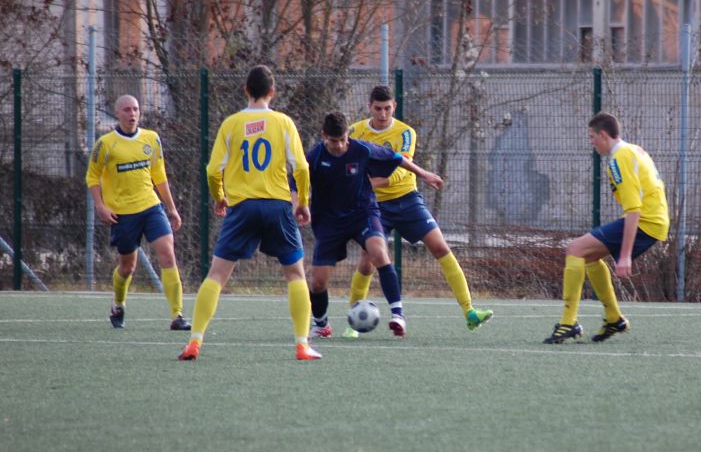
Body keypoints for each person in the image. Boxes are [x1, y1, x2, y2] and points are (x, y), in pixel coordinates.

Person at [177, 65, 321, 361]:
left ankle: (195, 340)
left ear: (246, 90)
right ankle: (302, 344)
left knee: (216, 275)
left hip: (241, 207)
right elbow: (302, 168)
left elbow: (212, 170)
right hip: (277, 205)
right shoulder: (283, 122)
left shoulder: (231, 124)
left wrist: (220, 198)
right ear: (272, 92)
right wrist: (303, 202)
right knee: (295, 274)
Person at [342, 85, 493, 338]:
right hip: (374, 205)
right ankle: (352, 322)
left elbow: (399, 170)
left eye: (387, 108)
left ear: (394, 107)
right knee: (368, 260)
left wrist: (365, 183)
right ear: (370, 107)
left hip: (407, 199)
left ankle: (469, 311)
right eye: (378, 108)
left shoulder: (405, 133)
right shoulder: (355, 132)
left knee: (441, 248)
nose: (382, 114)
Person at [302, 111, 443, 340]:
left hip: (363, 213)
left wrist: (424, 173)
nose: (339, 146)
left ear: (347, 135)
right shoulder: (314, 157)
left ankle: (398, 314)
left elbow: (396, 158)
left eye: (343, 140)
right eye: (333, 141)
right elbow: (295, 181)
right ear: (323, 136)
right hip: (330, 221)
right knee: (317, 282)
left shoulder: (362, 150)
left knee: (379, 252)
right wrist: (299, 204)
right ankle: (322, 325)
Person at [543, 112, 669, 344]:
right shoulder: (633, 150)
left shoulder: (619, 157)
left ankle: (568, 323)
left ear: (603, 135)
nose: (590, 142)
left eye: (592, 136)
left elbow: (633, 209)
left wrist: (625, 257)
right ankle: (613, 318)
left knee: (574, 249)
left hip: (646, 222)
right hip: (654, 220)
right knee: (588, 257)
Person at [86, 94, 190, 331]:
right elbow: (92, 177)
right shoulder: (105, 144)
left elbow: (159, 175)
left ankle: (177, 315)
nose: (132, 114)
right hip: (123, 214)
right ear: (117, 113)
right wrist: (101, 206)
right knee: (127, 268)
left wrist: (171, 209)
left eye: (135, 109)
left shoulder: (151, 139)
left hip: (151, 207)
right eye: (126, 110)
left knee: (167, 254)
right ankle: (118, 304)